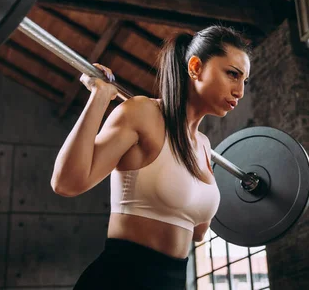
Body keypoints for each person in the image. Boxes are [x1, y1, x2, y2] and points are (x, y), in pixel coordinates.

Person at [50, 26, 251, 289]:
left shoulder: (203, 145)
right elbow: (66, 183)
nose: (240, 91)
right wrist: (99, 97)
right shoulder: (142, 113)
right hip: (120, 279)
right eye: (232, 74)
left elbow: (199, 231)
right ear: (195, 67)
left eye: (244, 81)